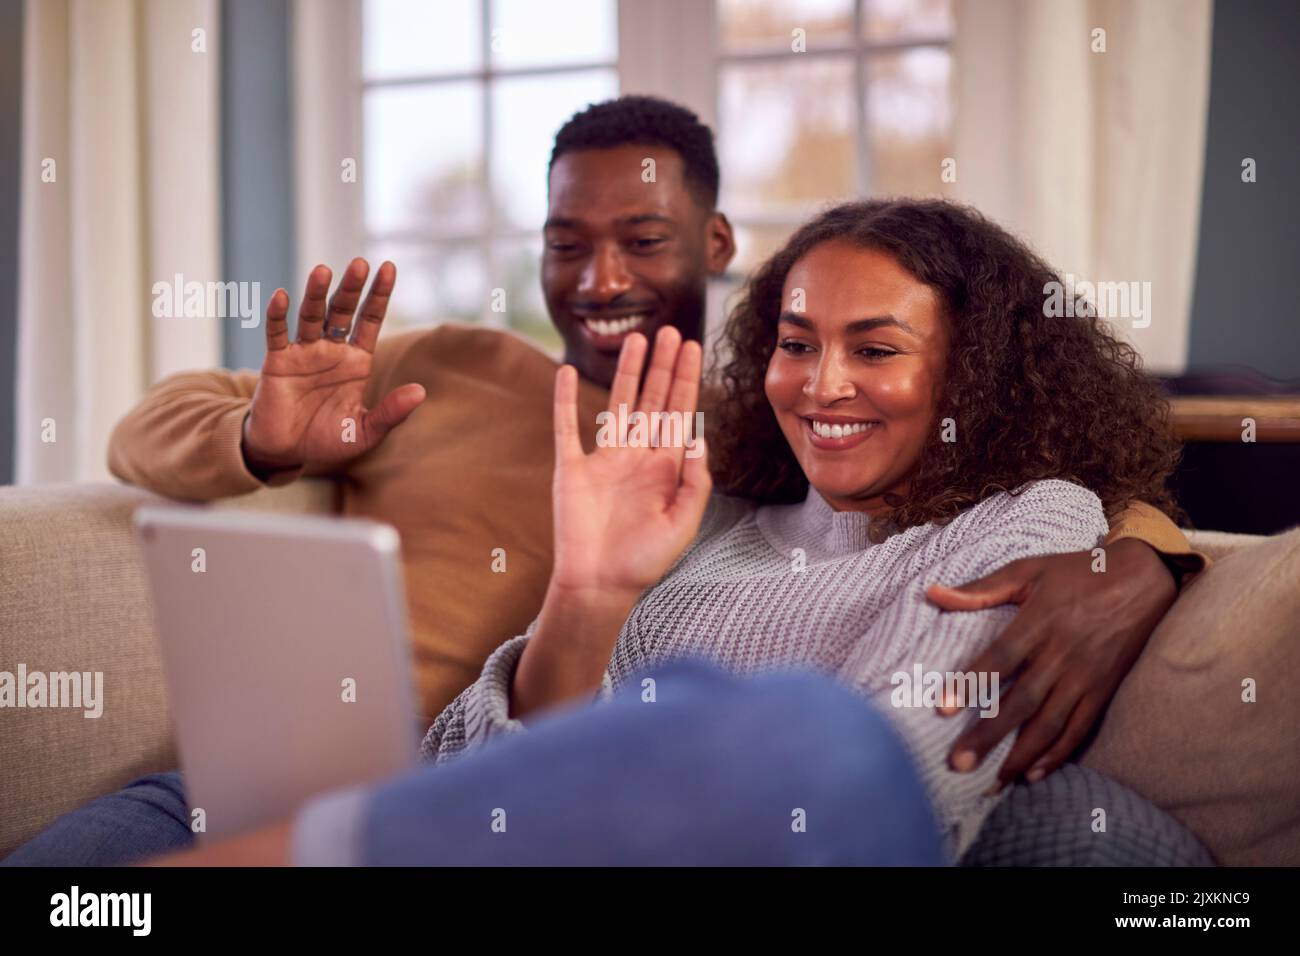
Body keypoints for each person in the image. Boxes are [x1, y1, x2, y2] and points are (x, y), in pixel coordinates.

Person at [5, 100, 1199, 866]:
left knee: (816, 743)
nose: (598, 276)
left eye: (641, 237)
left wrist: (1141, 558)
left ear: (715, 247)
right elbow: (495, 750)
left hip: (583, 819)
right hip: (443, 782)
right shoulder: (623, 447)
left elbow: (886, 771)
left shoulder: (719, 449)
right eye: (566, 243)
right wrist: (579, 584)